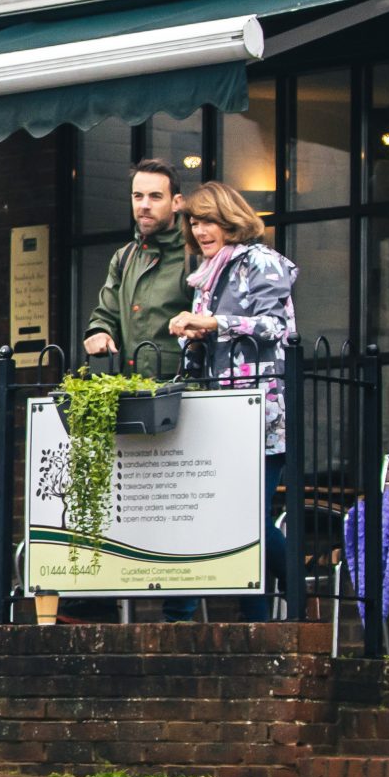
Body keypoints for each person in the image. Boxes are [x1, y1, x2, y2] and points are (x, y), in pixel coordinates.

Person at [167, 182, 299, 620]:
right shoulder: (207, 273)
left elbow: (275, 326)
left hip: (263, 412)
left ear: (230, 221)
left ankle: (296, 596)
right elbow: (209, 345)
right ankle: (257, 624)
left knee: (251, 522)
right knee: (235, 523)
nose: (200, 230)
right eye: (194, 221)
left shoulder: (260, 260)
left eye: (208, 220)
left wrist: (212, 321)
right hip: (223, 415)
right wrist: (191, 337)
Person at [84, 159, 193, 379]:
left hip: (183, 390)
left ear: (176, 202)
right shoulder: (124, 257)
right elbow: (106, 313)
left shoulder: (196, 255)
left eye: (155, 196)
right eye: (137, 196)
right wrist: (99, 332)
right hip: (130, 390)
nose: (144, 205)